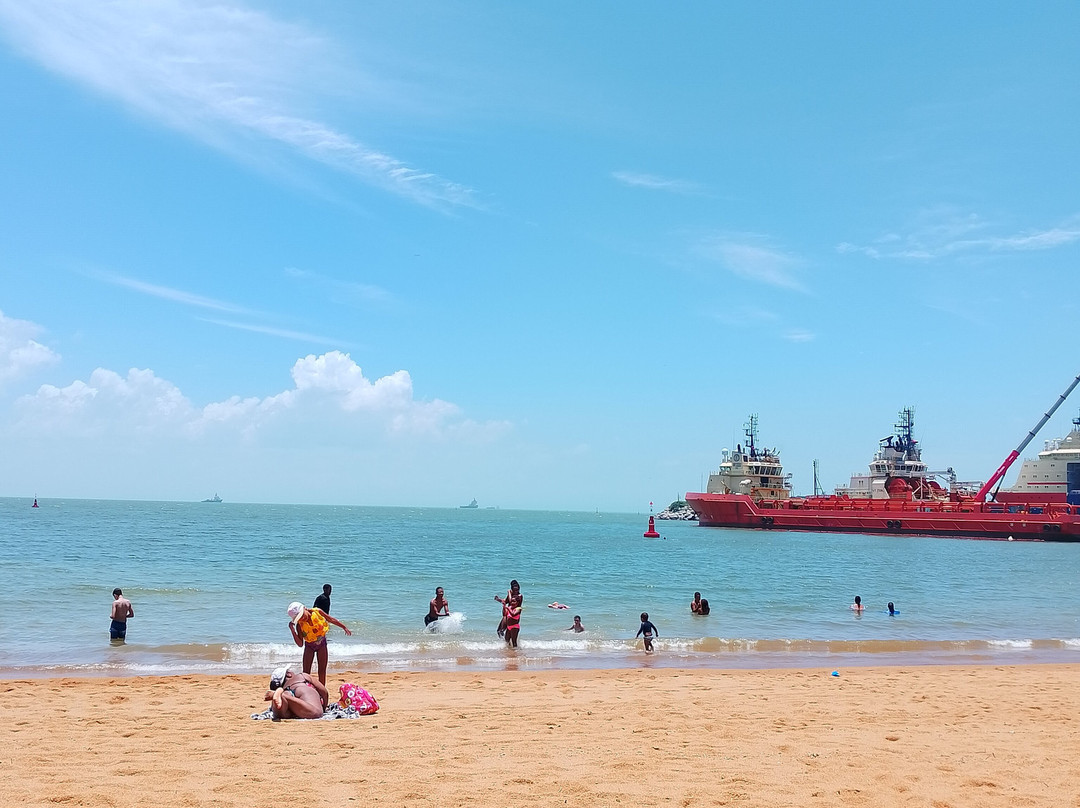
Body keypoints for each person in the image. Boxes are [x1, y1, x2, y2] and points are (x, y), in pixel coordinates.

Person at [287, 601, 352, 685]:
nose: (302, 619)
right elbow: (300, 644)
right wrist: (293, 631)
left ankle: (322, 691)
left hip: (322, 644)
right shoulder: (300, 625)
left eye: (302, 615)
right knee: (306, 672)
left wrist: (343, 627)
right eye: (299, 618)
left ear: (305, 609)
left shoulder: (317, 612)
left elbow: (330, 619)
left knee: (322, 670)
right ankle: (306, 689)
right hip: (309, 646)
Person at [264, 666, 329, 719]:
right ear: (289, 674)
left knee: (283, 714)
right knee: (316, 712)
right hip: (312, 710)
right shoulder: (302, 676)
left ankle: (280, 695)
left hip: (289, 695)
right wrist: (324, 708)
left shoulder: (286, 691)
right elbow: (324, 692)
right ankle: (281, 695)